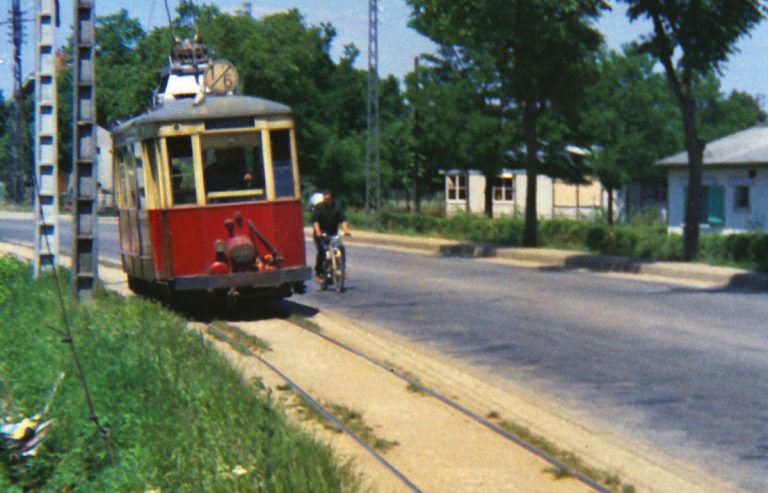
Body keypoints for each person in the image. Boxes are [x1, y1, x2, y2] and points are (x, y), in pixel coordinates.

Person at [312, 190, 351, 283]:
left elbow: (343, 220)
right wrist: (318, 231)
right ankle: (318, 273)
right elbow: (315, 221)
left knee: (341, 247)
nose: (327, 200)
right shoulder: (319, 207)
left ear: (332, 198)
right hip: (321, 234)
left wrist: (345, 230)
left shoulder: (337, 207)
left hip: (333, 234)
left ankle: (342, 269)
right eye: (325, 198)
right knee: (322, 250)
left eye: (328, 198)